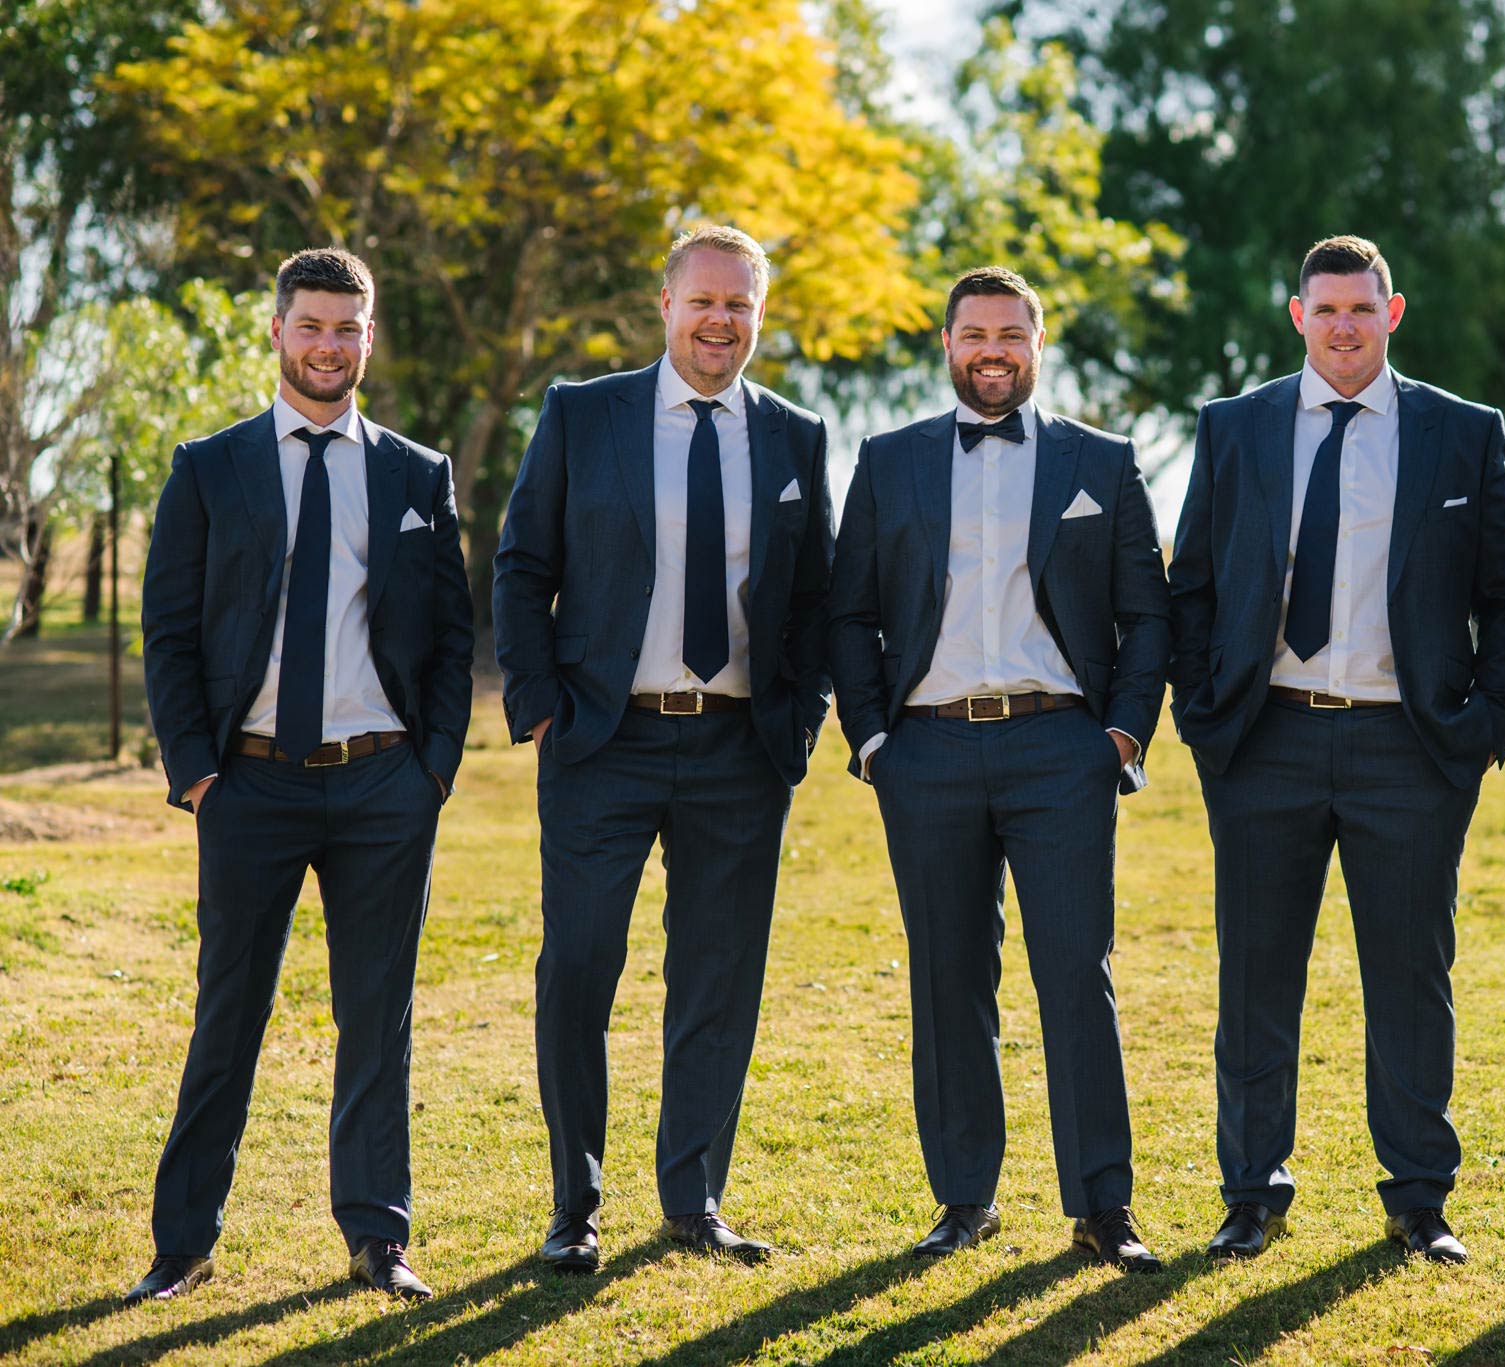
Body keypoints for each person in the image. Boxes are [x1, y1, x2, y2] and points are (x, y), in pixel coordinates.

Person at [1167, 235, 1505, 1263]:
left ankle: (1419, 1199)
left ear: (1392, 313)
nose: (1341, 326)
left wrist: (1477, 733)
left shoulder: (1460, 434)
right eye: (1323, 309)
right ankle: (1250, 1190)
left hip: (1406, 746)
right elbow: (1189, 583)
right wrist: (1205, 720)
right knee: (1254, 976)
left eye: (1359, 310)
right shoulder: (1233, 428)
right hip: (1264, 737)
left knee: (1410, 976)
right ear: (1296, 316)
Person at [133, 247, 474, 1303]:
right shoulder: (211, 465)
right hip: (250, 785)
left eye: (348, 327)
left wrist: (433, 772)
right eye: (312, 325)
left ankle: (378, 1236)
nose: (329, 345)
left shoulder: (417, 474)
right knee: (227, 1011)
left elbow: (455, 638)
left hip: (383, 784)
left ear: (371, 337)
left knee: (378, 1015)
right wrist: (198, 773)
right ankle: (182, 1243)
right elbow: (168, 632)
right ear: (277, 331)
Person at [493, 226, 832, 1271]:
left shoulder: (796, 435)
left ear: (758, 315)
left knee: (716, 981)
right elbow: (520, 565)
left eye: (740, 304)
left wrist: (797, 721)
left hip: (739, 747)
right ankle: (573, 1206)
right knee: (578, 969)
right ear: (666, 305)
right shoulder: (581, 415)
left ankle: (693, 1196)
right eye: (704, 302)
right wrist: (542, 707)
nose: (720, 320)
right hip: (603, 741)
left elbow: (818, 598)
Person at [826, 266, 1171, 1272]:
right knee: (947, 978)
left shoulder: (1098, 461)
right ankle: (962, 1196)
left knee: (1076, 973)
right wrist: (874, 739)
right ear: (945, 343)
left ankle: (1102, 1205)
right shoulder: (887, 460)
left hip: (1060, 746)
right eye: (975, 333)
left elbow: (1144, 611)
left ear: (1036, 340)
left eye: (1011, 333)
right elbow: (848, 611)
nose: (993, 349)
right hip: (923, 749)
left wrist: (1119, 735)